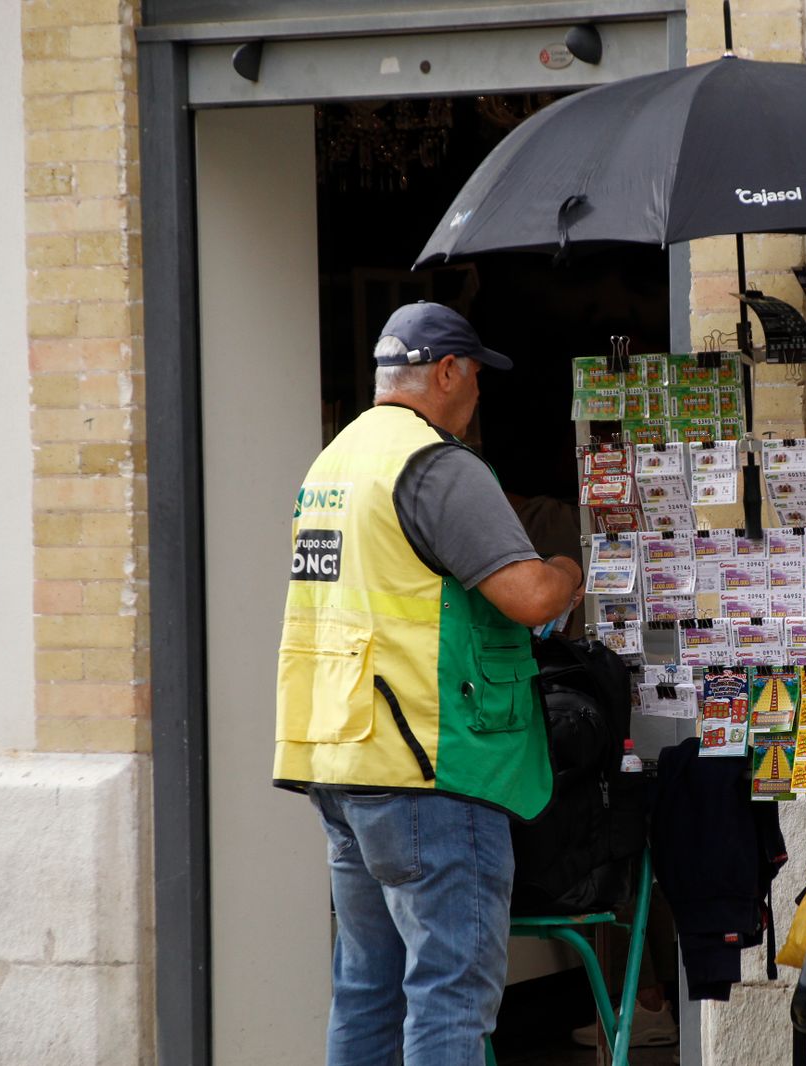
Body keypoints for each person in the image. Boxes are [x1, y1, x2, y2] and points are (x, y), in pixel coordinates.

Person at [273, 301, 585, 1066]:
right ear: (446, 372)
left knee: (367, 993)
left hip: (346, 761)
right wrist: (571, 567)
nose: (478, 397)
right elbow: (531, 599)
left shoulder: (337, 461)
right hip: (432, 764)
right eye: (475, 377)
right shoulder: (436, 464)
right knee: (451, 993)